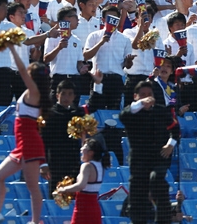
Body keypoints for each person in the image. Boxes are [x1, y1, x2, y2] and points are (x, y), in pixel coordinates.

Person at [0, 43, 52, 224]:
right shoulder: (33, 93)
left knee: (32, 186)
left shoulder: (34, 92)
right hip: (22, 144)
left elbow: (22, 70)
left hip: (29, 144)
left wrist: (13, 49)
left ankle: (35, 221)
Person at [120, 80, 180, 224]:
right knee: (137, 199)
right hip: (139, 161)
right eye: (143, 95)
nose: (147, 97)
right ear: (136, 96)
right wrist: (141, 104)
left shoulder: (161, 111)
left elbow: (175, 130)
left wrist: (170, 145)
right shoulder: (130, 113)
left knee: (157, 180)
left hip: (158, 158)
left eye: (149, 94)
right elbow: (123, 116)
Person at [55, 137, 108, 224]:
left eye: (84, 148)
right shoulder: (101, 166)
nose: (81, 149)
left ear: (91, 153)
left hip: (83, 208)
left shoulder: (87, 166)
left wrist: (63, 189)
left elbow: (81, 185)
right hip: (94, 208)